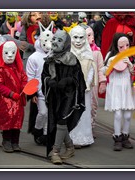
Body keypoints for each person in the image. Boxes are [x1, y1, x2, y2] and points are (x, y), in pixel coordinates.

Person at [41, 29, 86, 164]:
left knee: (62, 120)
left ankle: (55, 151)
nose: (54, 42)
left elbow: (79, 80)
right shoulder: (49, 60)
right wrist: (49, 81)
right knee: (58, 121)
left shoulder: (72, 60)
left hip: (68, 96)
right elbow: (44, 76)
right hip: (55, 96)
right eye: (54, 39)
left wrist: (69, 81)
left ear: (66, 43)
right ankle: (70, 147)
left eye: (59, 40)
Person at [103, 33, 135, 151]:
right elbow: (104, 72)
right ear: (116, 45)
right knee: (118, 115)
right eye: (121, 46)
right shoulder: (110, 55)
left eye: (127, 45)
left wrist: (129, 65)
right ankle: (117, 138)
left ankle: (125, 136)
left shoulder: (132, 56)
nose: (125, 48)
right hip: (115, 87)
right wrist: (109, 64)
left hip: (127, 87)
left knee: (128, 115)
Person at [0, 41, 27, 152]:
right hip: (5, 101)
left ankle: (15, 142)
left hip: (18, 100)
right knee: (8, 120)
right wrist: (11, 94)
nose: (10, 55)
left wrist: (24, 86)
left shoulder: (18, 68)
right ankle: (6, 141)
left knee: (17, 120)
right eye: (7, 52)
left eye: (13, 52)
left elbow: (24, 79)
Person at [69, 25, 97, 148]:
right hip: (71, 90)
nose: (78, 41)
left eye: (81, 38)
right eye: (75, 38)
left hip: (84, 90)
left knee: (84, 113)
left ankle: (84, 138)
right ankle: (71, 138)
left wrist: (85, 84)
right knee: (72, 112)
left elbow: (91, 70)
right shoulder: (67, 54)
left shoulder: (88, 54)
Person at [26, 21, 54, 145]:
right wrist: (32, 94)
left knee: (50, 114)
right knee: (42, 112)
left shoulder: (54, 55)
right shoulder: (33, 58)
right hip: (40, 91)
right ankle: (37, 130)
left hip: (52, 90)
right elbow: (30, 77)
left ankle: (46, 136)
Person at [84, 25, 106, 138]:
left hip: (94, 84)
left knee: (93, 105)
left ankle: (91, 126)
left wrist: (102, 82)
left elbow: (101, 68)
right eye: (86, 35)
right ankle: (83, 127)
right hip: (82, 84)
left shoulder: (97, 52)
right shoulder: (79, 51)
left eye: (90, 35)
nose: (89, 38)